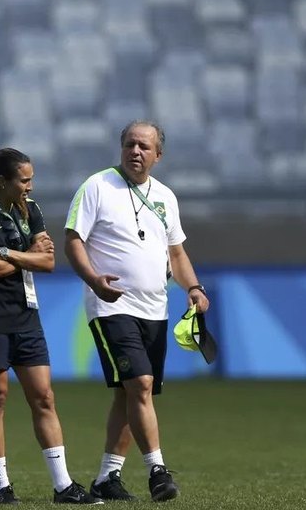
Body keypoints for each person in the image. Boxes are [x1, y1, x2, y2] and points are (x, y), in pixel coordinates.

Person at [64, 121, 210, 502]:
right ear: (121, 147)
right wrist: (95, 280)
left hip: (155, 310)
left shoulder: (166, 197)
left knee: (130, 395)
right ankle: (157, 472)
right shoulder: (97, 186)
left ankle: (107, 478)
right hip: (111, 305)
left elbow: (175, 252)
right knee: (140, 385)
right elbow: (73, 241)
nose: (136, 151)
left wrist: (193, 287)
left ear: (158, 155)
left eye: (145, 146)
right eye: (130, 144)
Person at [0, 148, 101, 505]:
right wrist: (23, 257)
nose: (30, 186)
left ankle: (63, 485)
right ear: (2, 181)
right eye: (25, 180)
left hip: (26, 316)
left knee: (44, 397)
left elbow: (48, 261)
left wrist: (7, 254)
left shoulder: (30, 210)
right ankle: (2, 485)